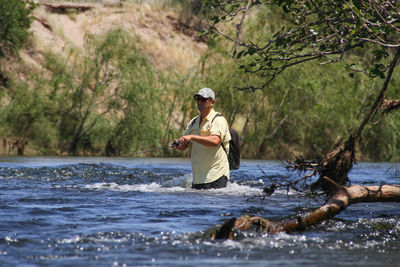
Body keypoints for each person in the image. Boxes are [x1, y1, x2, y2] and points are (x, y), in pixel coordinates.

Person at [173, 88, 231, 189]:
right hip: (198, 178)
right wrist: (179, 145)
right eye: (197, 99)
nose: (199, 102)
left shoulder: (219, 120)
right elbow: (185, 146)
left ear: (212, 102)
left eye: (203, 99)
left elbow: (215, 141)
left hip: (216, 176)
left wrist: (192, 137)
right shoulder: (193, 122)